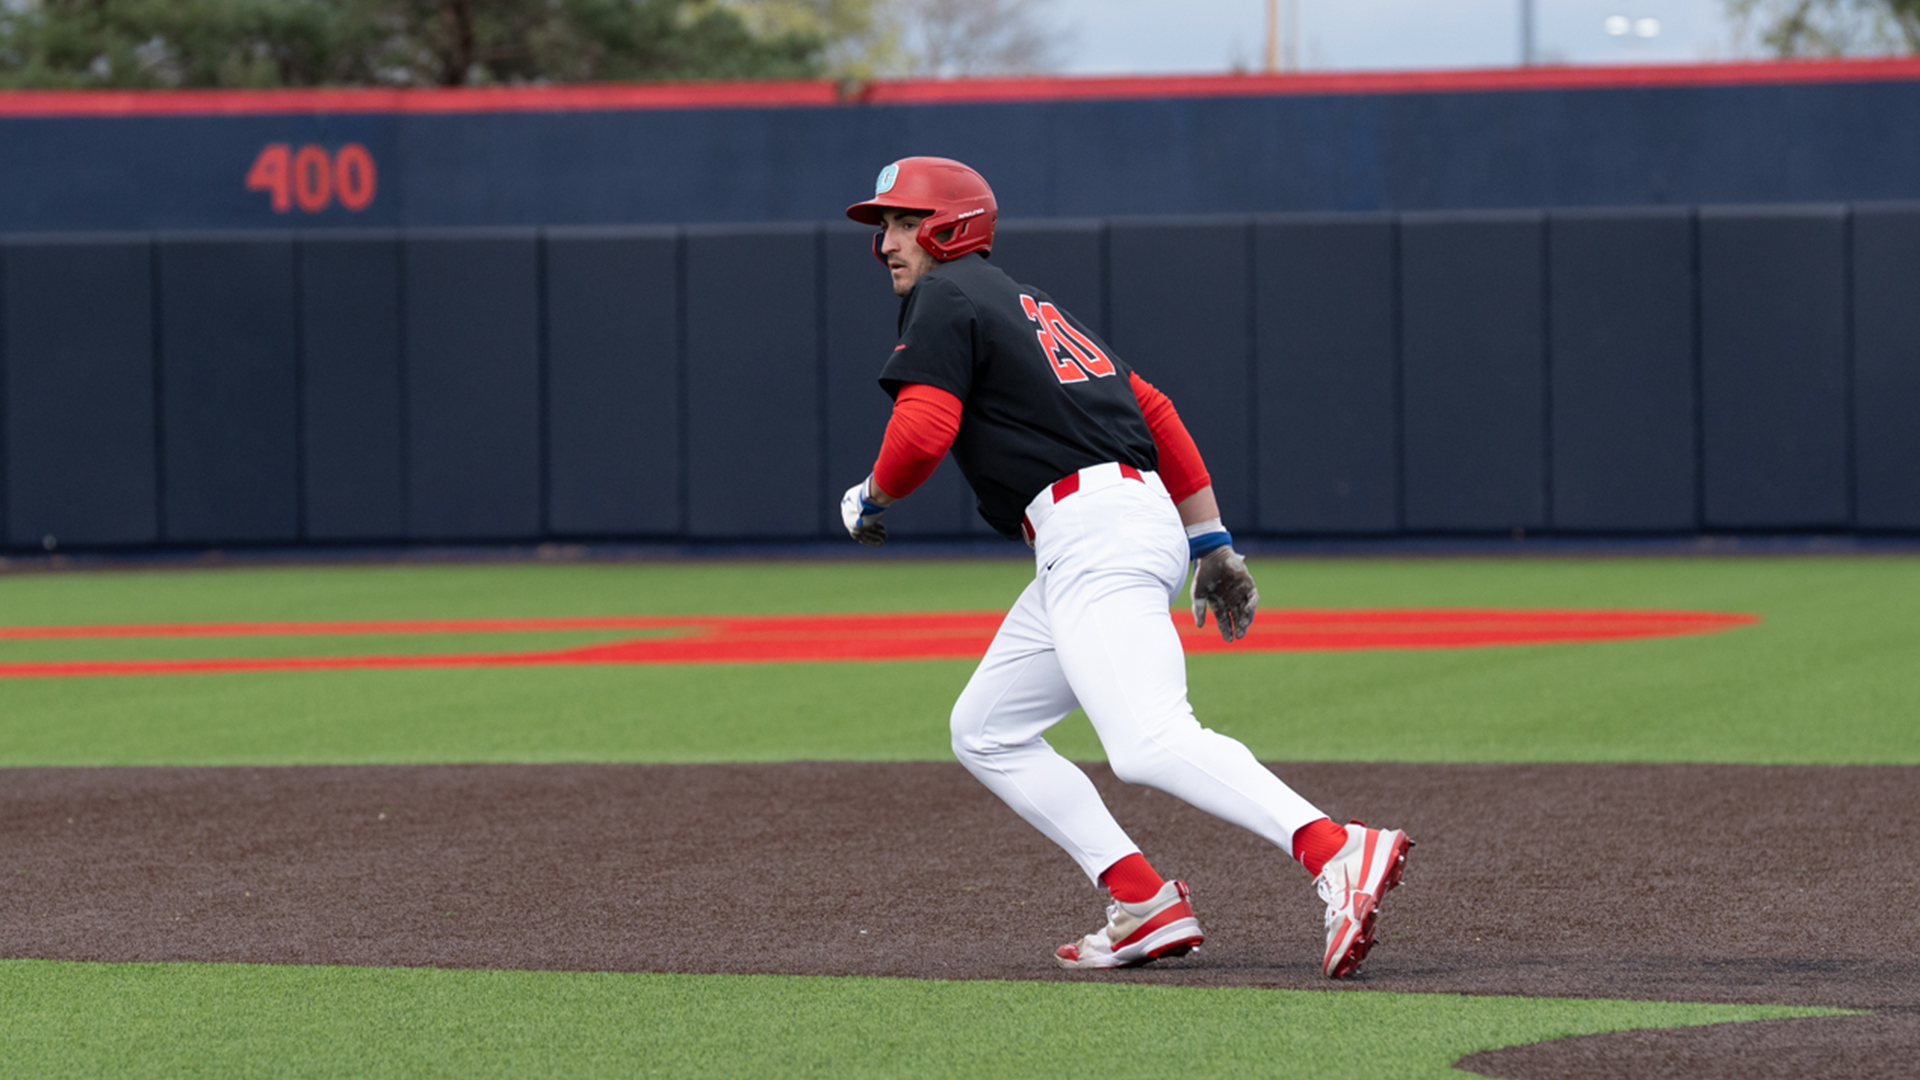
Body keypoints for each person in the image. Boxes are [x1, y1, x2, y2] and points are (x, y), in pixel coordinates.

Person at [837, 156, 1410, 977]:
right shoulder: (1027, 308)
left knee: (1146, 740)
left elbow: (925, 428)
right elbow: (1154, 409)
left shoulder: (947, 294)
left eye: (897, 220)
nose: (882, 241)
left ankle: (1335, 848)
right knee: (987, 731)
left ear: (947, 226)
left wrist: (871, 495)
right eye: (881, 224)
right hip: (1102, 527)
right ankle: (1143, 900)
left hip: (1093, 530)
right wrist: (1211, 542)